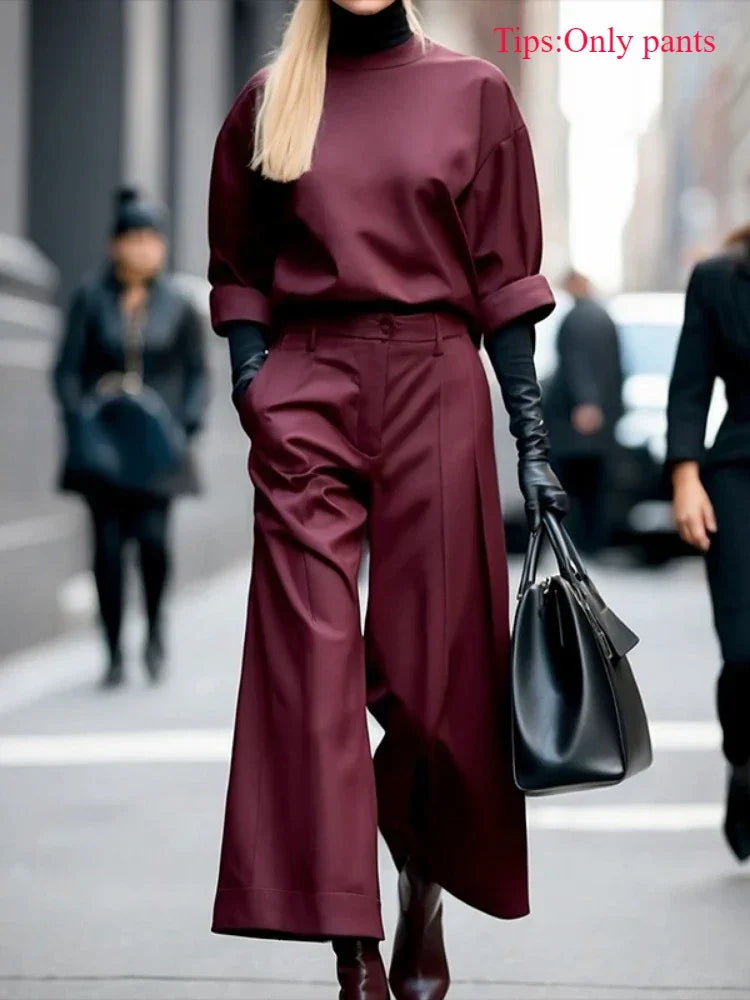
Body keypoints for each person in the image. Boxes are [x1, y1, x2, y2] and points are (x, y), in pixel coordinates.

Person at [207, 2, 568, 997]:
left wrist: (533, 442)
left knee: (434, 685)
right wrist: (255, 387)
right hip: (307, 387)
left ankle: (421, 883)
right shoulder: (270, 100)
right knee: (310, 676)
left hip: (435, 385)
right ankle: (351, 945)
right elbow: (238, 269)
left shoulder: (475, 93)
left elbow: (506, 281)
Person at [51, 187, 208, 688]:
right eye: (132, 237)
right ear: (114, 244)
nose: (142, 248)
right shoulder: (91, 298)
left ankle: (155, 629)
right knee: (107, 549)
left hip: (158, 447)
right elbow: (67, 369)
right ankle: (114, 649)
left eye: (150, 238)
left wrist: (185, 423)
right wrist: (80, 418)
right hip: (105, 447)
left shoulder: (179, 305)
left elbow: (198, 374)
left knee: (154, 543)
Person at [667, 224, 750, 864]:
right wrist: (686, 477)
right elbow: (690, 385)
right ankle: (743, 759)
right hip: (737, 479)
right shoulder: (720, 279)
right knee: (744, 650)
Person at [544, 269, 623, 554]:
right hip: (599, 421)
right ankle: (591, 541)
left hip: (577, 423)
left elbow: (576, 363)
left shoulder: (578, 319)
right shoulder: (603, 316)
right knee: (594, 485)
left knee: (574, 485)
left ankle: (578, 543)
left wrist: (586, 402)